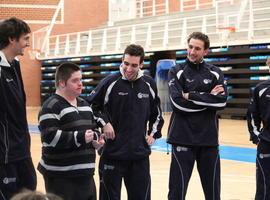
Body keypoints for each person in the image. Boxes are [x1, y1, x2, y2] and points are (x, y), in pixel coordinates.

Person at [88, 44, 164, 200]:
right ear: (122, 60)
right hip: (112, 154)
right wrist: (105, 123)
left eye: (134, 65)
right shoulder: (109, 82)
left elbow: (156, 114)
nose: (129, 69)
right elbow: (91, 107)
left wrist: (153, 134)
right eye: (126, 63)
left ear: (141, 65)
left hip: (139, 157)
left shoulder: (149, 84)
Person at [167, 32, 227, 200]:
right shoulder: (176, 71)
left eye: (197, 48)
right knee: (176, 193)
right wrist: (208, 98)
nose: (192, 51)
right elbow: (177, 104)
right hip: (182, 138)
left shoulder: (215, 73)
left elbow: (221, 103)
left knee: (213, 194)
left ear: (205, 51)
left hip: (208, 141)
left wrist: (191, 95)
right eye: (190, 47)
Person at [37, 62, 105, 200]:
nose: (80, 84)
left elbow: (93, 130)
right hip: (60, 178)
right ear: (62, 83)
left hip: (86, 176)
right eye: (75, 80)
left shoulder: (85, 104)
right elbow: (50, 137)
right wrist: (81, 137)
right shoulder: (50, 106)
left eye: (81, 79)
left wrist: (96, 140)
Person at [0, 17, 37, 200]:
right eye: (25, 39)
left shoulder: (14, 65)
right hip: (4, 156)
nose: (27, 44)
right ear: (11, 39)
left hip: (22, 150)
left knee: (30, 190)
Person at [247, 57, 270, 200]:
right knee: (264, 185)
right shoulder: (260, 89)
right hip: (266, 144)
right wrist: (257, 138)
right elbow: (252, 115)